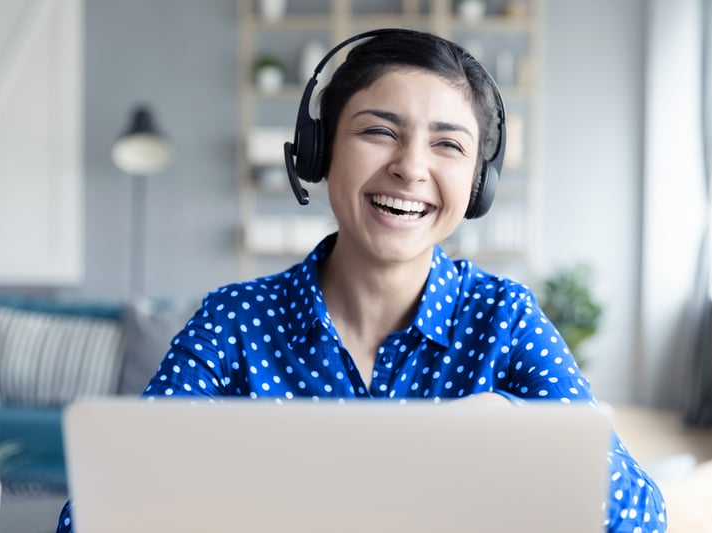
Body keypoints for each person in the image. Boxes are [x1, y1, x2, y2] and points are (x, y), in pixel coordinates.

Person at [57, 29, 666, 532]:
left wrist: (516, 425)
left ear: (479, 184)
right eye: (379, 131)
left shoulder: (503, 318)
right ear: (320, 152)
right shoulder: (232, 322)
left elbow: (643, 518)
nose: (410, 167)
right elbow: (92, 516)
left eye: (448, 145)